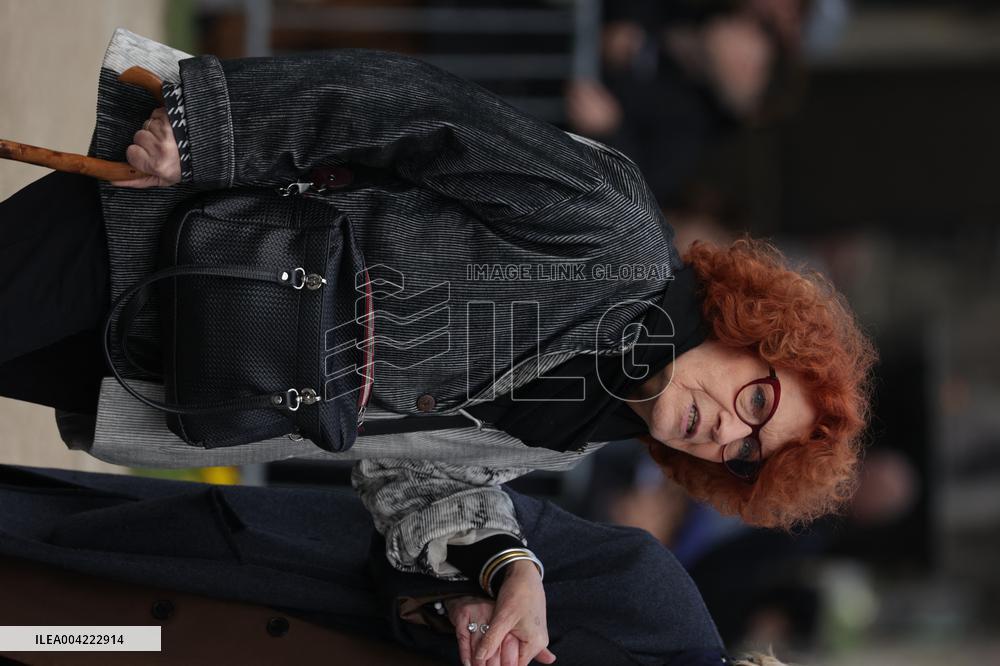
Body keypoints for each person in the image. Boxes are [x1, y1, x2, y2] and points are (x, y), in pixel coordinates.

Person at [0, 29, 875, 666]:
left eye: (747, 453)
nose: (727, 431)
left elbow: (414, 473)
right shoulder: (617, 236)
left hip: (161, 376)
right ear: (743, 329)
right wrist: (214, 130)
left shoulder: (577, 429)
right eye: (756, 400)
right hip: (154, 241)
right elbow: (420, 113)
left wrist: (511, 569)